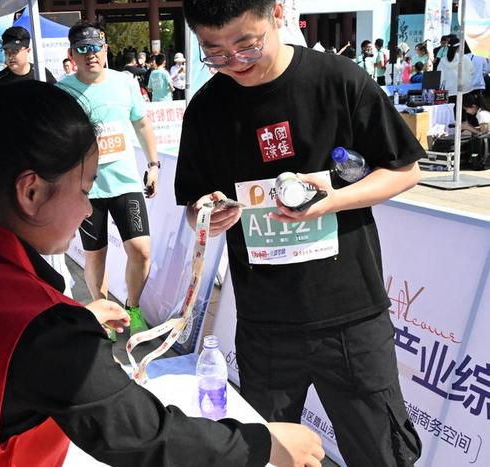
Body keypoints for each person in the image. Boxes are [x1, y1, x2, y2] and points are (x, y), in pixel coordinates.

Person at [0, 69, 324, 467]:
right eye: (84, 185)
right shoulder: (43, 330)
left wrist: (72, 322)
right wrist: (264, 445)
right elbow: (143, 437)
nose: (89, 205)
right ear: (30, 192)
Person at [176, 1, 423, 466]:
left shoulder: (338, 79)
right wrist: (207, 213)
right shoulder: (207, 109)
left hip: (351, 316)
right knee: (266, 455)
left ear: (276, 13)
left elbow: (404, 169)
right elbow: (193, 206)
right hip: (265, 323)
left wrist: (330, 198)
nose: (236, 63)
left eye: (247, 44)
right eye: (217, 53)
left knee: (382, 454)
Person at [58, 22, 159, 337]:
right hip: (87, 189)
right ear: (72, 53)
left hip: (126, 182)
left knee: (141, 250)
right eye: (83, 49)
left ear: (105, 49)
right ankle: (101, 312)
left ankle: (133, 307)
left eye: (96, 48)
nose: (91, 55)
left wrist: (153, 164)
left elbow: (141, 123)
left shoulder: (124, 82)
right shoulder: (63, 90)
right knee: (95, 255)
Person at [438, 36, 474, 102]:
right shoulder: (464, 58)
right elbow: (472, 71)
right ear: (460, 47)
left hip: (448, 91)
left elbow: (439, 76)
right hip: (464, 90)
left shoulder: (443, 60)